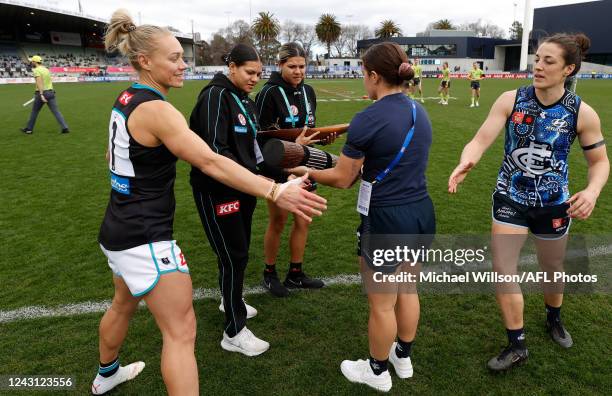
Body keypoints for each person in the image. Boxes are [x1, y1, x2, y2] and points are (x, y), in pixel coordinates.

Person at [94, 11, 326, 396]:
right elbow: (210, 160)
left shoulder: (127, 98)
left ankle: (107, 374)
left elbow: (111, 155)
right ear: (144, 61)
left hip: (117, 228)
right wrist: (274, 190)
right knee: (182, 332)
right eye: (173, 57)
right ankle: (229, 330)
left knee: (122, 305)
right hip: (145, 235)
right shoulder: (159, 108)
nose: (183, 63)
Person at [448, 33, 608, 371]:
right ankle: (516, 344)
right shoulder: (511, 99)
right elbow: (480, 139)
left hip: (553, 204)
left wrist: (592, 191)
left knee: (553, 269)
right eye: (537, 58)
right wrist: (468, 160)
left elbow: (600, 163)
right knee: (503, 269)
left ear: (568, 69)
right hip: (511, 197)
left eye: (548, 61)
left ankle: (554, 317)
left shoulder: (582, 113)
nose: (538, 66)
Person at [292, 42, 435, 392]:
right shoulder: (421, 111)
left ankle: (376, 370)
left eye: (362, 74)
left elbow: (342, 177)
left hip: (386, 218)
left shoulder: (367, 118)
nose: (362, 81)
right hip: (420, 212)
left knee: (382, 303)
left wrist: (304, 169)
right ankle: (403, 357)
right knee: (408, 289)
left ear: (374, 75)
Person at [189, 44, 325, 357]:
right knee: (233, 255)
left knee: (238, 252)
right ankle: (233, 331)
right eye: (249, 72)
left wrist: (282, 177)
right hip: (217, 191)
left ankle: (230, 300)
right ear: (231, 67)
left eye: (259, 74)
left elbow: (257, 153)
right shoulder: (214, 96)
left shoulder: (246, 102)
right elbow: (213, 152)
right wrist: (257, 180)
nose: (254, 79)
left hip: (245, 189)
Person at [255, 42, 330, 297]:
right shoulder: (268, 93)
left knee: (304, 219)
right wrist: (290, 148)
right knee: (278, 220)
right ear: (280, 65)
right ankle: (269, 273)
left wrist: (322, 138)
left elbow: (309, 128)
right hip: (279, 167)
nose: (298, 71)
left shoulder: (309, 91)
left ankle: (295, 274)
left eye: (302, 66)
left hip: (305, 165)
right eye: (292, 66)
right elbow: (261, 139)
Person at [20, 55, 69, 134]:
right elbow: (49, 81)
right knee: (56, 111)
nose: (31, 63)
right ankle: (65, 128)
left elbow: (39, 82)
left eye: (32, 61)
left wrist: (41, 94)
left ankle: (29, 129)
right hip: (51, 92)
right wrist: (52, 90)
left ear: (35, 62)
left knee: (34, 111)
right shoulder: (46, 69)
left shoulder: (36, 70)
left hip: (41, 93)